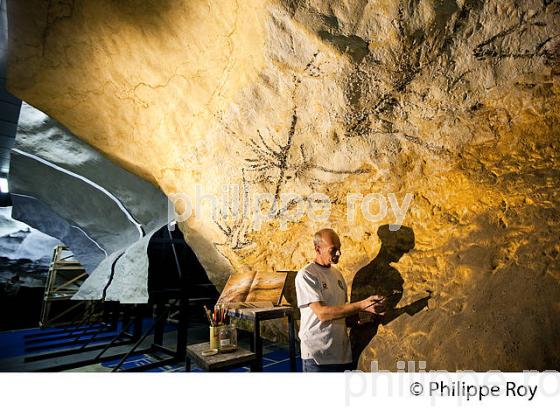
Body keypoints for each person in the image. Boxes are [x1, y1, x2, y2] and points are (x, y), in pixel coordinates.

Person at [295, 228, 385, 372]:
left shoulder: (338, 275)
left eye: (339, 249)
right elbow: (322, 314)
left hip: (341, 354)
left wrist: (363, 317)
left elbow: (341, 312)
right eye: (333, 249)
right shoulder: (306, 275)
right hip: (318, 355)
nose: (339, 253)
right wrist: (362, 305)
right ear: (318, 249)